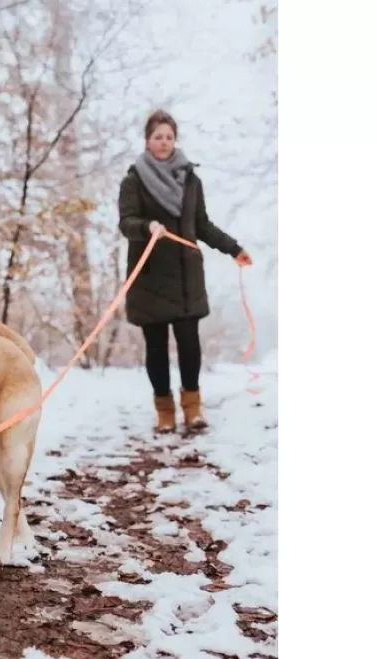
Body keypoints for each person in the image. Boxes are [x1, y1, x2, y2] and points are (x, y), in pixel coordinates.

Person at [118, 109, 252, 433]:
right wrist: (147, 226)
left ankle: (192, 409)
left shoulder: (191, 179)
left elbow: (201, 225)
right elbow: (126, 222)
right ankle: (164, 411)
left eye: (168, 136)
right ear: (147, 140)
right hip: (149, 275)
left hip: (186, 278)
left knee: (190, 344)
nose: (163, 142)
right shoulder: (134, 179)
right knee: (157, 348)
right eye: (157, 136)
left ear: (174, 140)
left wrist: (234, 248)